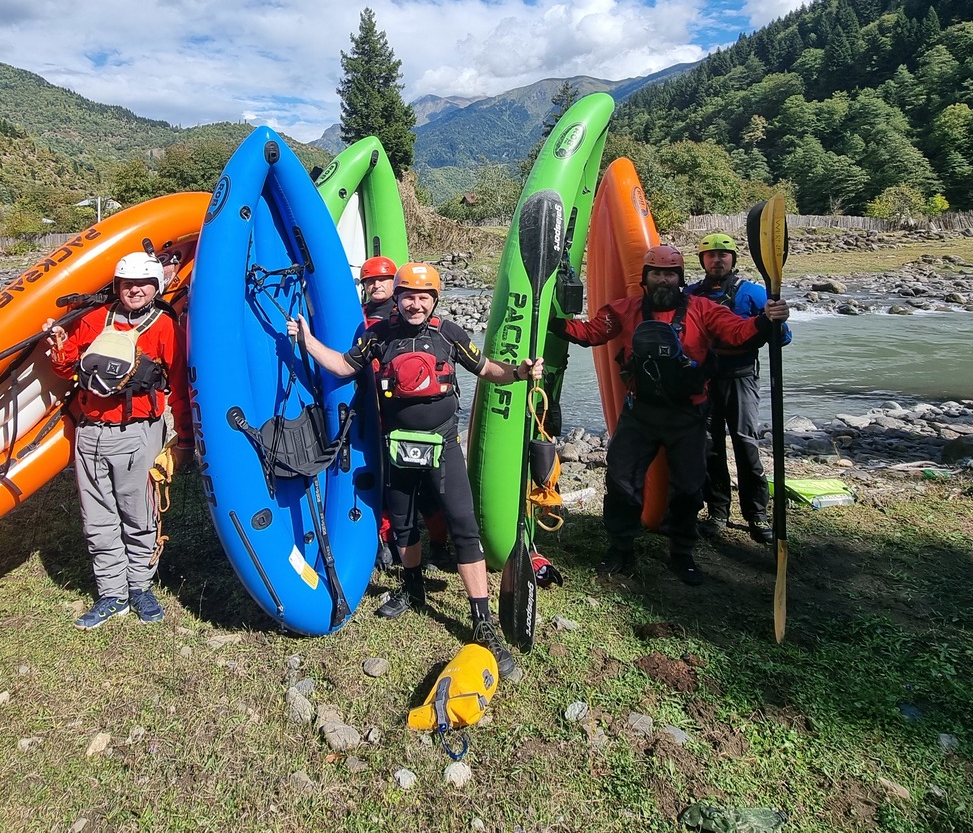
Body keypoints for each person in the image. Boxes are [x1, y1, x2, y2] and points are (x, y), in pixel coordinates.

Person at [288, 262, 542, 675]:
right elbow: (342, 366)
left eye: (423, 296)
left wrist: (519, 373)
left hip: (443, 446)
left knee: (464, 527)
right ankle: (413, 590)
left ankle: (482, 620)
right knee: (403, 524)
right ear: (397, 297)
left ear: (434, 300)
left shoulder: (447, 333)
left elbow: (487, 369)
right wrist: (308, 339)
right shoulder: (379, 335)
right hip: (398, 447)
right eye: (408, 295)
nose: (415, 303)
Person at [554, 245, 788, 585]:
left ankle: (682, 552)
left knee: (690, 489)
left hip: (688, 415)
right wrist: (552, 321)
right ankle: (621, 548)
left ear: (680, 279)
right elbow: (592, 332)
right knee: (620, 482)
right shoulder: (626, 308)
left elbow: (740, 332)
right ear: (645, 279)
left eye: (670, 274)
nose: (664, 279)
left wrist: (767, 318)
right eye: (657, 273)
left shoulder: (703, 308)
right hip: (640, 414)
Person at [45, 251, 192, 630]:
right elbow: (67, 367)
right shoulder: (95, 320)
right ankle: (112, 593)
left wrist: (185, 441)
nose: (135, 291)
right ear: (117, 286)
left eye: (143, 284)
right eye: (127, 284)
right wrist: (61, 345)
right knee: (97, 519)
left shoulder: (164, 329)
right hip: (90, 432)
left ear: (155, 287)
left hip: (138, 434)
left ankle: (140, 586)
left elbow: (178, 386)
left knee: (139, 515)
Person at [687, 232, 791, 545]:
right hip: (705, 378)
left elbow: (782, 337)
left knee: (745, 443)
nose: (717, 260)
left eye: (723, 255)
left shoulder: (755, 294)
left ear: (733, 259)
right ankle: (718, 511)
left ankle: (756, 513)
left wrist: (776, 318)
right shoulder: (691, 295)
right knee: (710, 446)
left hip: (741, 375)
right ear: (702, 260)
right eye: (710, 255)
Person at [359, 256, 456, 573]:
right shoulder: (361, 321)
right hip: (380, 415)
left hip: (416, 418)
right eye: (370, 281)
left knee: (429, 489)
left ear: (395, 285)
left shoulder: (406, 322)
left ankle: (439, 545)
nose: (376, 286)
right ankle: (387, 543)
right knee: (388, 484)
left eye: (383, 280)